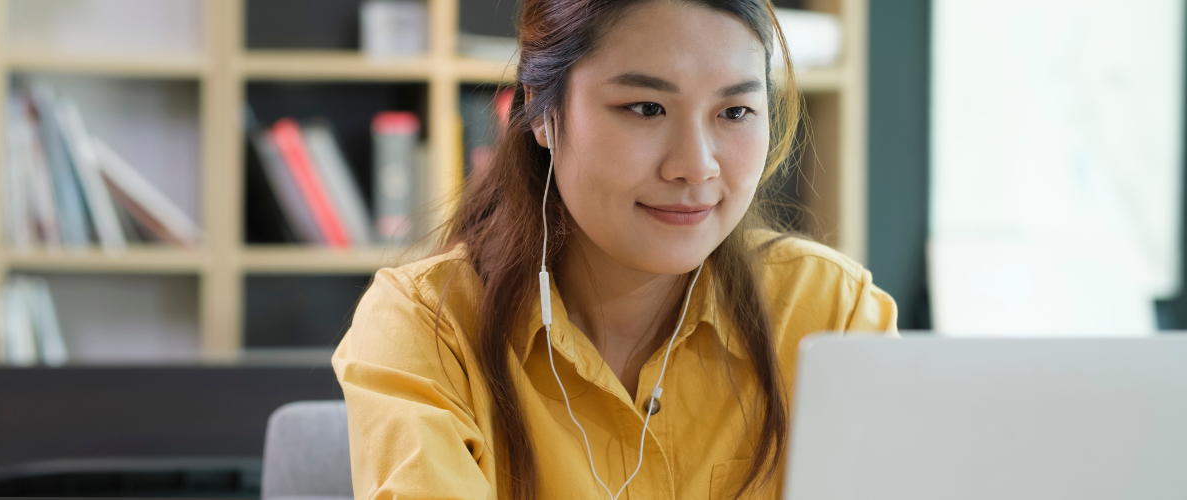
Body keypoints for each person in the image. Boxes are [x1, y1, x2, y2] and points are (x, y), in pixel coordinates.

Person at [332, 0, 898, 498]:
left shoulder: (832, 314)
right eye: (646, 108)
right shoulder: (428, 326)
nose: (695, 165)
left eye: (734, 112)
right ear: (542, 113)